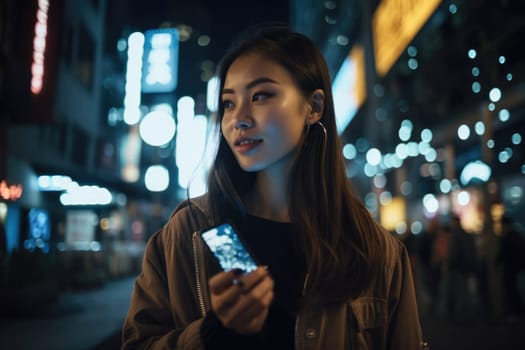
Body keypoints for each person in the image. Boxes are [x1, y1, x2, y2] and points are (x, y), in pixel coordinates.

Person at [122, 26, 425, 349]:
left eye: (261, 95)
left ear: (314, 107)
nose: (238, 118)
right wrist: (212, 334)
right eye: (227, 103)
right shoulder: (188, 233)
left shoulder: (376, 251)